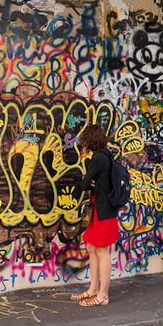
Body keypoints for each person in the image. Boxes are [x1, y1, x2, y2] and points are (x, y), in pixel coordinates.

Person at [72, 124, 119, 307]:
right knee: (92, 247)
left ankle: (103, 295)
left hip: (104, 211)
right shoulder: (104, 156)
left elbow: (84, 184)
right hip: (99, 210)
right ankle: (93, 289)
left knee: (102, 251)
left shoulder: (98, 158)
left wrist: (87, 181)